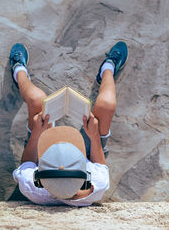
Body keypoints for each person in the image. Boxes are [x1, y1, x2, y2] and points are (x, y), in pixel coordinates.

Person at [12, 42, 128, 206]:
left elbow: (27, 164)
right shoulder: (98, 184)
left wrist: (37, 134)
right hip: (89, 154)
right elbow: (99, 164)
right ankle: (107, 69)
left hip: (44, 152)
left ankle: (19, 72)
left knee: (36, 99)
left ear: (39, 176)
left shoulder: (30, 186)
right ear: (86, 175)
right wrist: (94, 135)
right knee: (106, 105)